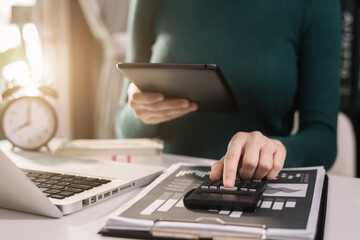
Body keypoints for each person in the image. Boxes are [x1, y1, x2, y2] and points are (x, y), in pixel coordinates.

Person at [115, 0, 341, 187]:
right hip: (165, 184)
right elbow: (124, 127)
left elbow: (324, 138)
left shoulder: (315, 4)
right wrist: (139, 113)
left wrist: (278, 151)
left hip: (256, 187)